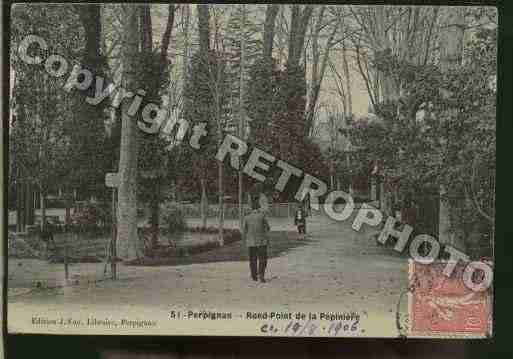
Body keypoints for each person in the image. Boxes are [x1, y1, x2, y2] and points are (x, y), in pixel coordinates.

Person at [244, 198, 271, 283]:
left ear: (251, 208)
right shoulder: (262, 216)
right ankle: (261, 275)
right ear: (258, 208)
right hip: (262, 241)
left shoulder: (247, 217)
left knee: (252, 259)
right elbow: (268, 228)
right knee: (263, 259)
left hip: (251, 242)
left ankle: (254, 276)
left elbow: (245, 230)